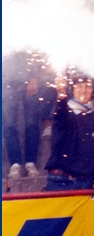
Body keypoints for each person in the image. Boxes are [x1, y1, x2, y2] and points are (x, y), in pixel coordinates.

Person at [44, 74, 94, 192]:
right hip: (60, 181)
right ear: (72, 89)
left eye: (88, 86)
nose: (83, 90)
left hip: (86, 182)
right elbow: (60, 114)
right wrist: (61, 96)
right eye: (79, 86)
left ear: (93, 91)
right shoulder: (64, 111)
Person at [2, 50, 45, 179]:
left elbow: (35, 51)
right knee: (9, 124)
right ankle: (15, 164)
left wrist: (34, 77)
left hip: (27, 77)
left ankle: (30, 163)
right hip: (5, 80)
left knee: (32, 122)